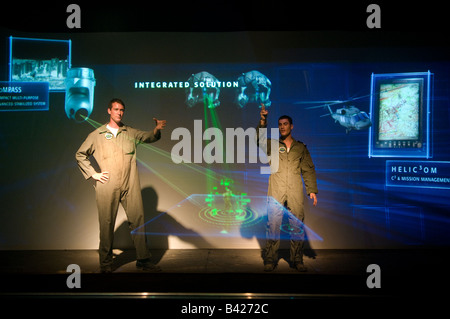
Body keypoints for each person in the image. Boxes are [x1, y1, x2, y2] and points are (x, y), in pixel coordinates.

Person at [76, 98, 166, 273]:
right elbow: (80, 154)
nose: (119, 112)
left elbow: (148, 137)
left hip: (129, 183)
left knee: (138, 220)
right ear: (109, 111)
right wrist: (93, 174)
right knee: (106, 223)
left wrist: (155, 130)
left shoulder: (129, 132)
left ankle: (144, 259)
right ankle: (106, 263)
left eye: (122, 110)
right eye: (116, 109)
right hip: (107, 185)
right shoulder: (97, 134)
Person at [257, 104, 318, 272]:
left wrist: (311, 190)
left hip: (295, 188)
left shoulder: (300, 148)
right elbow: (260, 140)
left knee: (297, 223)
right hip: (276, 186)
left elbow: (308, 169)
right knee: (273, 223)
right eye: (280, 124)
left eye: (285, 124)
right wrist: (263, 119)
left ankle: (297, 260)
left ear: (291, 126)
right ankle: (270, 259)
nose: (282, 127)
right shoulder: (273, 145)